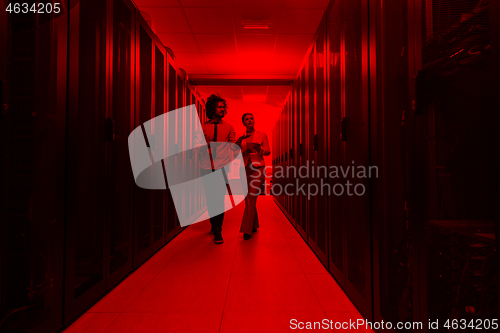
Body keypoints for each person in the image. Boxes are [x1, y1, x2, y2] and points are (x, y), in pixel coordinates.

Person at [193, 94, 248, 244]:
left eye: (224, 107)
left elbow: (233, 148)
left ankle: (218, 229)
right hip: (205, 167)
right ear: (212, 108)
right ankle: (213, 223)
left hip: (223, 167)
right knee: (210, 198)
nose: (223, 109)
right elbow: (196, 148)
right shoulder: (202, 128)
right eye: (220, 106)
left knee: (219, 198)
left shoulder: (229, 127)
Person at [238, 113, 270, 240]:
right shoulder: (242, 138)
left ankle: (246, 230)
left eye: (251, 118)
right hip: (245, 167)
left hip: (258, 167)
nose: (249, 120)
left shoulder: (261, 134)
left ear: (254, 120)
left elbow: (268, 151)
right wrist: (243, 152)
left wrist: (260, 149)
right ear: (244, 123)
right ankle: (254, 224)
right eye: (246, 119)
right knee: (248, 197)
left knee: (252, 197)